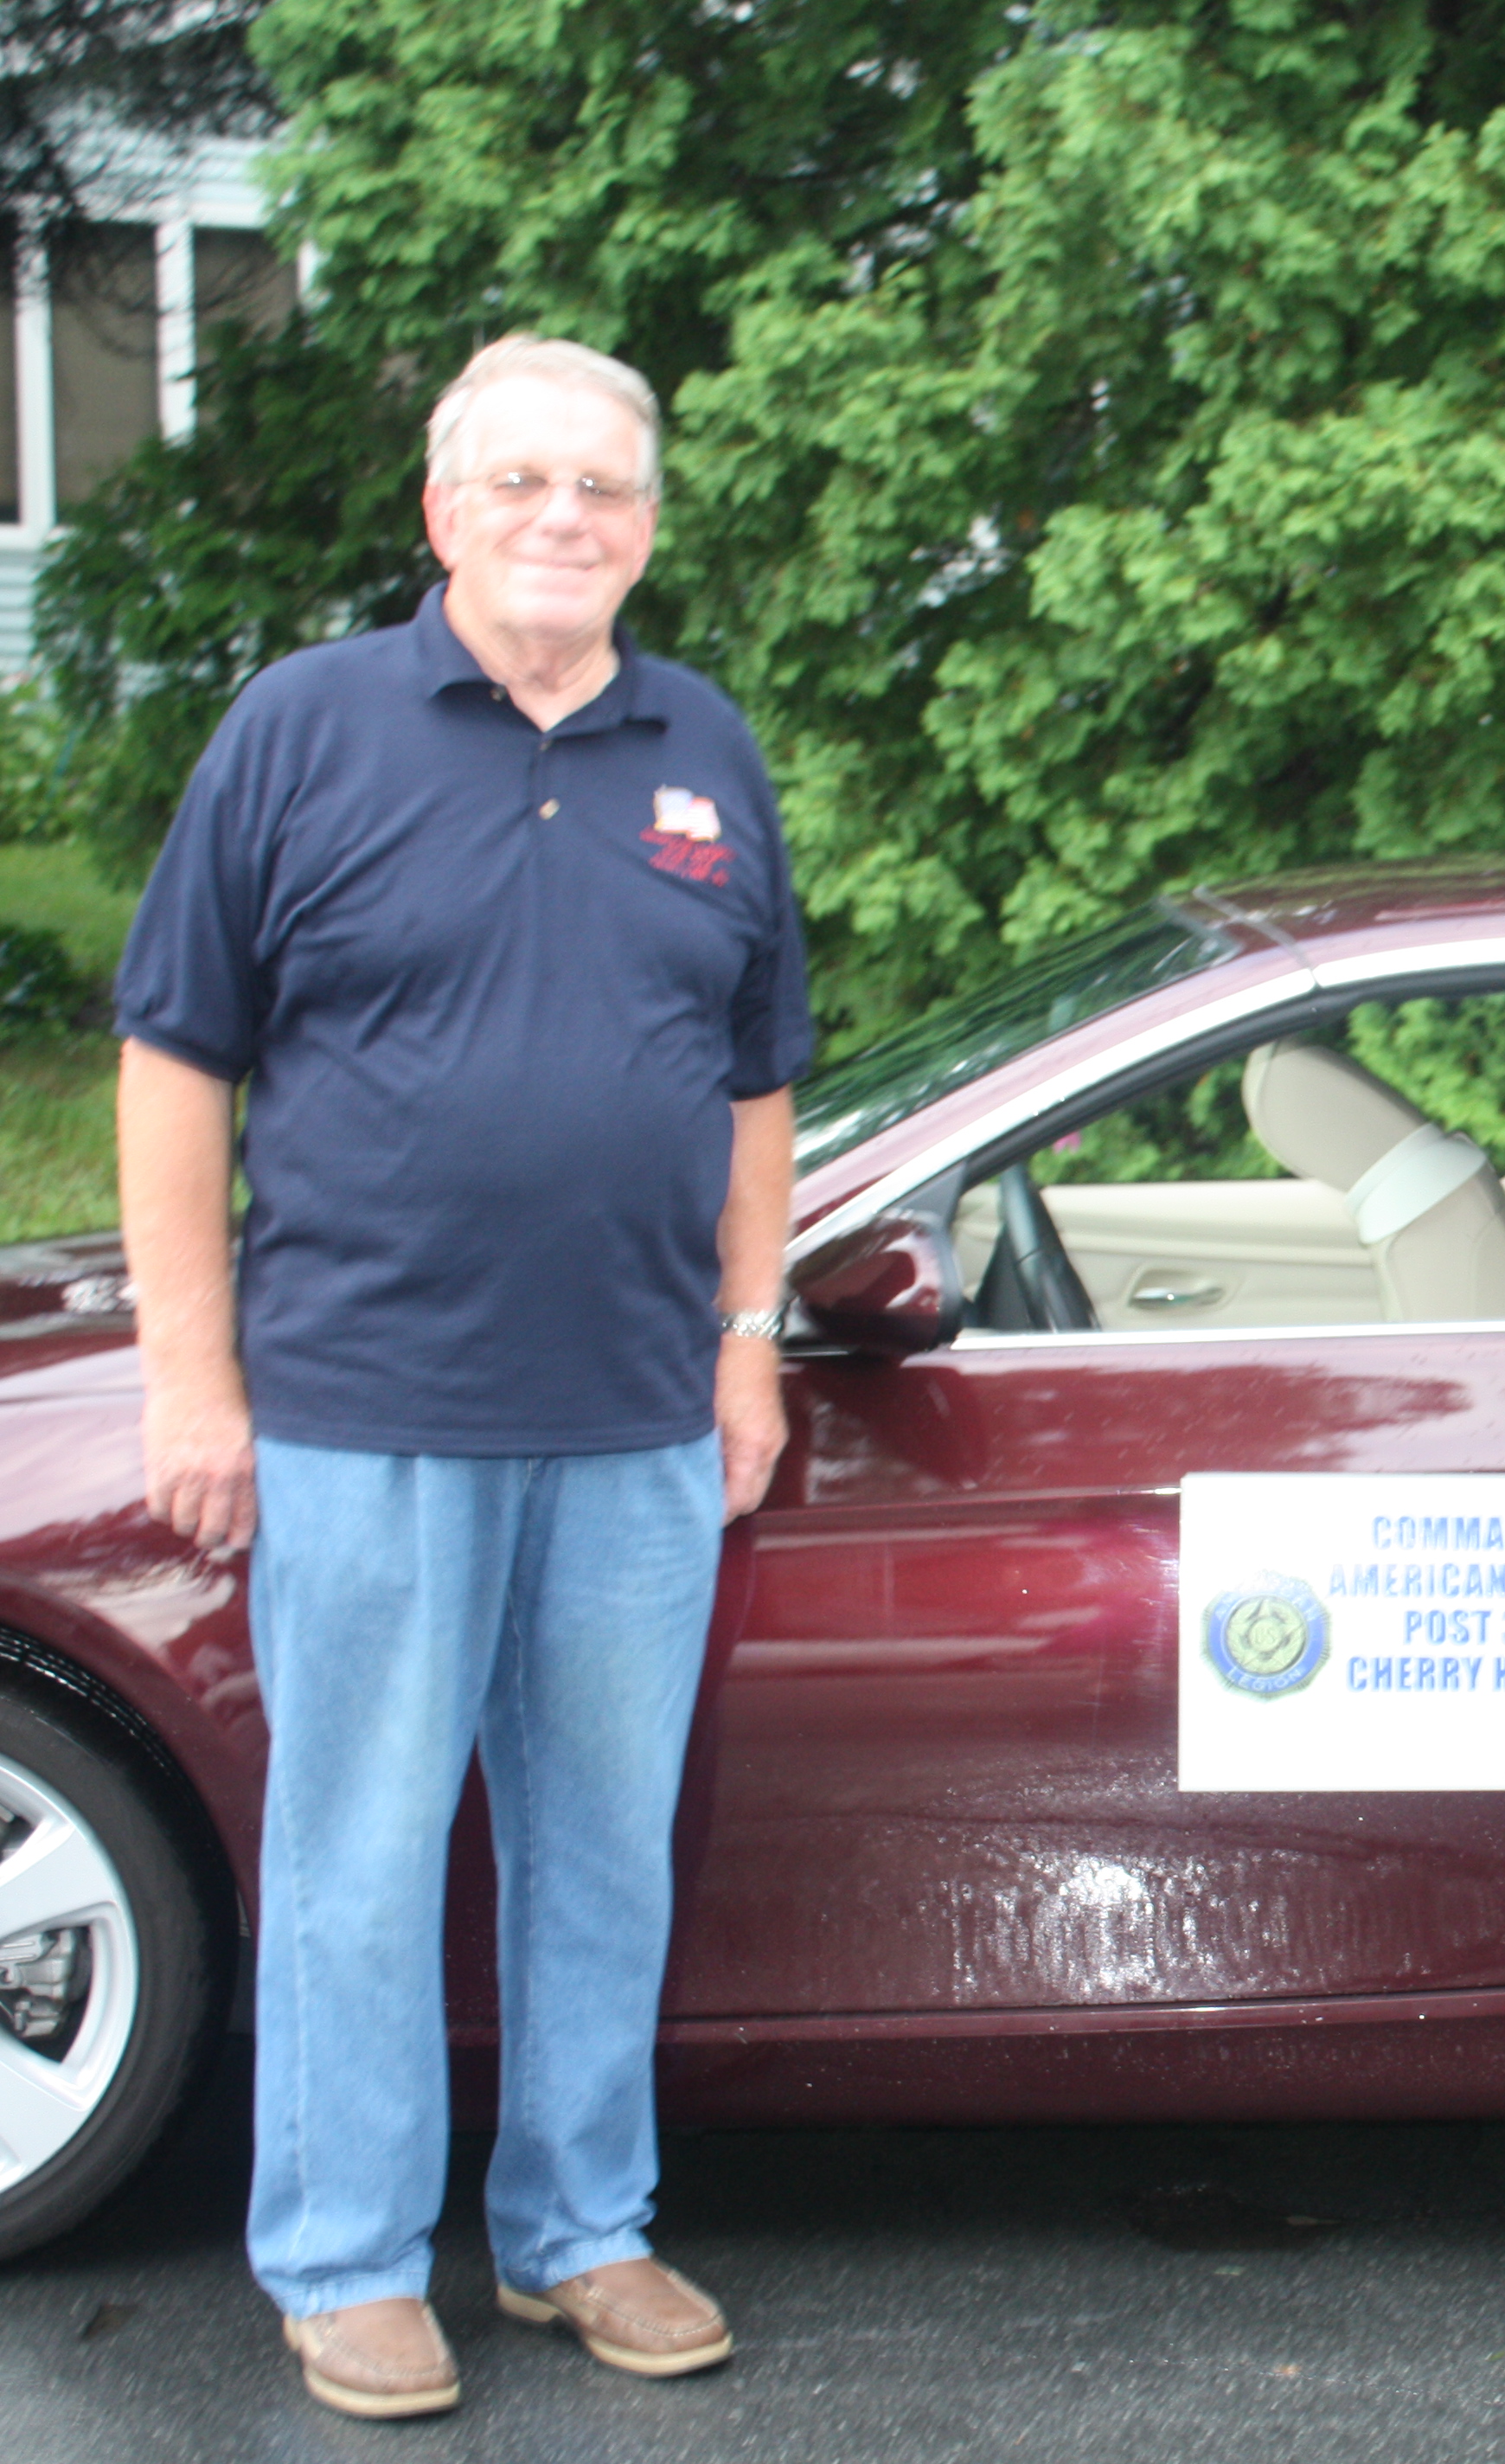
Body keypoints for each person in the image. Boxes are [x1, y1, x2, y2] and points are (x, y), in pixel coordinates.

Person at [114, 335, 809, 2422]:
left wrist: (749, 1334)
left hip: (632, 1416)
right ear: (440, 513)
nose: (560, 519)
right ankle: (342, 2255)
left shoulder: (708, 747)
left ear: (649, 525)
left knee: (604, 1845)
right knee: (360, 1845)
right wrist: (187, 1376)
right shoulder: (300, 729)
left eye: (600, 488)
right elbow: (174, 1061)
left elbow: (759, 1082)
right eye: (516, 483)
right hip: (361, 1405)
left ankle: (580, 2229)